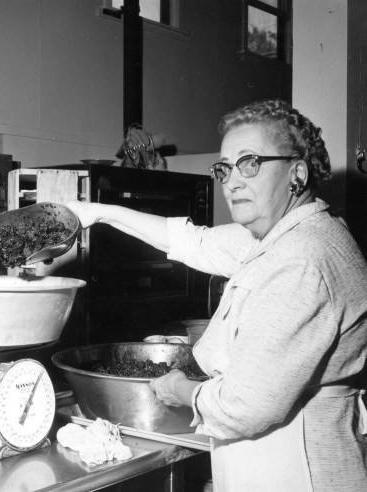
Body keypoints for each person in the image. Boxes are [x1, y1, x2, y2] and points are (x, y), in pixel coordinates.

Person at [67, 99, 367, 491]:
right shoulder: (287, 234)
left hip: (297, 467)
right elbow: (194, 242)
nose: (232, 181)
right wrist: (96, 213)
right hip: (274, 458)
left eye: (250, 163)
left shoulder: (301, 260)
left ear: (297, 173)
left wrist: (181, 391)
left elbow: (245, 407)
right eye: (225, 168)